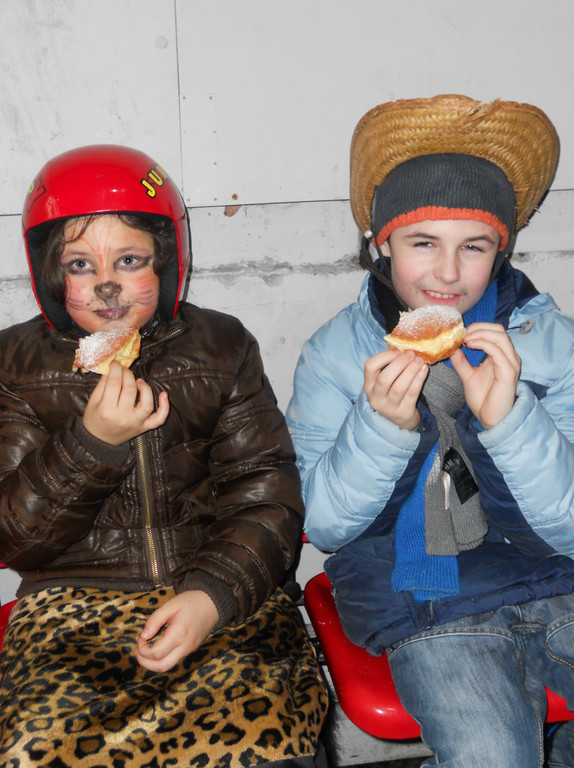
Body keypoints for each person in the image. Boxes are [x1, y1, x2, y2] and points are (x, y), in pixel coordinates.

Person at [0, 144, 328, 767]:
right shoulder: (15, 364)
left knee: (274, 745)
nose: (106, 286)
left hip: (221, 588)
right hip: (69, 612)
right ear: (51, 275)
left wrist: (211, 596)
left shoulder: (222, 346)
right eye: (80, 264)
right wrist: (91, 443)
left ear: (168, 260)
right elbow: (15, 539)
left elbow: (267, 497)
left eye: (129, 260)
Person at [286, 94, 574, 767]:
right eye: (423, 243)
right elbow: (321, 525)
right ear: (381, 244)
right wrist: (381, 428)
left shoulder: (550, 342)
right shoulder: (335, 354)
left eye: (473, 247)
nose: (447, 274)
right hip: (421, 595)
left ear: (500, 251)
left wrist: (509, 422)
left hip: (556, 576)